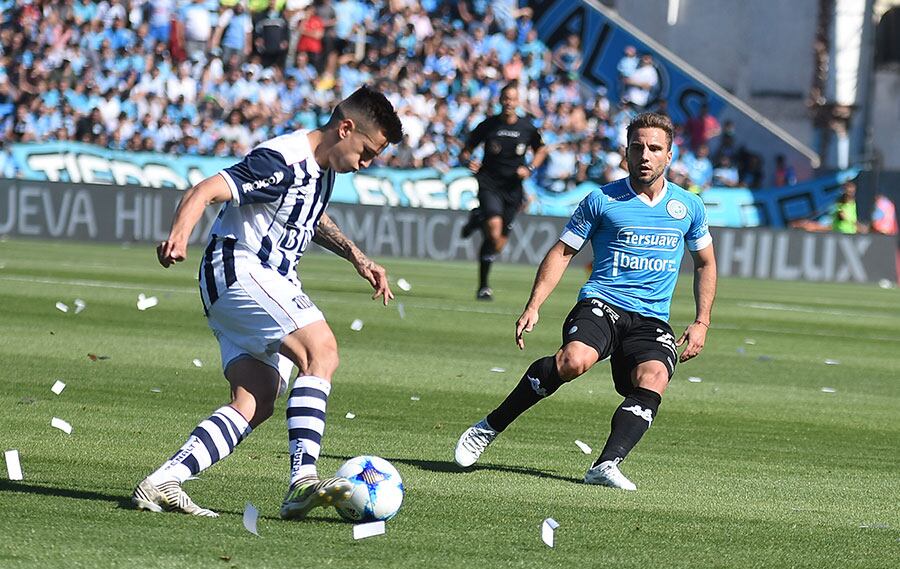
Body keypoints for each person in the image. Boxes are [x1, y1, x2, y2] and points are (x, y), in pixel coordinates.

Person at [131, 86, 404, 519]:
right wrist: (180, 234)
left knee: (257, 399)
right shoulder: (281, 160)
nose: (367, 163)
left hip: (255, 280)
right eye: (367, 152)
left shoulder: (325, 167)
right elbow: (205, 189)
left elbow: (307, 215)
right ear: (345, 128)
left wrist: (357, 256)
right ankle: (301, 482)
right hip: (240, 269)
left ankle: (164, 480)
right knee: (322, 351)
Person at [454, 112, 717, 490]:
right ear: (625, 152)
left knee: (654, 377)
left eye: (654, 149)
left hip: (651, 320)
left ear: (669, 155)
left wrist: (702, 320)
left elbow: (705, 263)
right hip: (602, 304)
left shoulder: (688, 207)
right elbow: (562, 252)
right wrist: (534, 304)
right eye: (637, 147)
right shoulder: (602, 200)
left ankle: (605, 465)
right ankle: (490, 426)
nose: (645, 155)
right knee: (573, 361)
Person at [459, 82, 548, 300]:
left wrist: (529, 168)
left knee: (497, 243)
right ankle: (483, 287)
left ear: (518, 102)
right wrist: (469, 161)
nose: (509, 102)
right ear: (500, 100)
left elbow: (541, 150)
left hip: (513, 189)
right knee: (494, 228)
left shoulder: (527, 127)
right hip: (489, 183)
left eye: (512, 98)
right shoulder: (488, 125)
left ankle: (478, 218)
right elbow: (465, 150)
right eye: (505, 98)